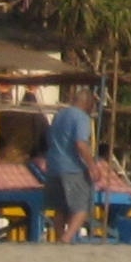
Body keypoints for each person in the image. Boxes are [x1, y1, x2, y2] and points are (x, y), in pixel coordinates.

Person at [40, 86, 100, 242]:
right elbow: (81, 144)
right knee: (82, 207)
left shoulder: (59, 115)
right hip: (72, 168)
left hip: (54, 166)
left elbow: (49, 138)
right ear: (88, 104)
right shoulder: (81, 118)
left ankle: (60, 237)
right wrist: (92, 166)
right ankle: (66, 239)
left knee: (60, 208)